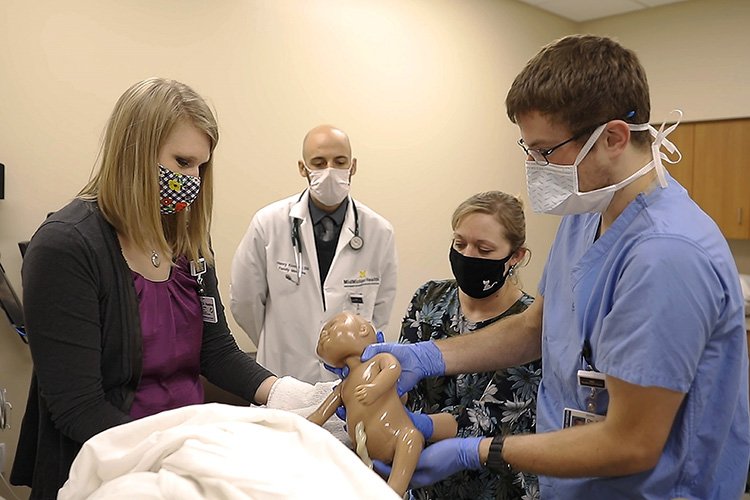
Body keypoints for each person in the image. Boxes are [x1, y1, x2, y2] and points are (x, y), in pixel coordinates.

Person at [367, 34, 750, 499]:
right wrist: (430, 357)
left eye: (546, 152)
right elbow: (538, 327)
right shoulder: (588, 212)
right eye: (527, 149)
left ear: (613, 138)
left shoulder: (666, 256)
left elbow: (631, 443)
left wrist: (478, 450)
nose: (534, 166)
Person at [10, 78, 282, 498]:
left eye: (201, 167)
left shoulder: (188, 243)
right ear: (134, 153)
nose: (193, 178)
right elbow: (78, 408)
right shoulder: (66, 248)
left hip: (189, 456)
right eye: (182, 162)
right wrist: (173, 457)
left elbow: (217, 350)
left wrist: (285, 393)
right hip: (111, 468)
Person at [399, 191, 540, 499]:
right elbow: (404, 386)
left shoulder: (530, 326)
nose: (467, 256)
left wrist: (417, 425)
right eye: (459, 243)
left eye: (484, 248)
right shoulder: (429, 299)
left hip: (497, 486)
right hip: (425, 487)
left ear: (516, 256)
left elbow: (492, 419)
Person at [230, 124, 398, 383]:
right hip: (281, 376)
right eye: (318, 162)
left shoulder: (379, 232)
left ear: (352, 166)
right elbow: (244, 301)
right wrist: (276, 343)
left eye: (339, 161)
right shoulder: (268, 223)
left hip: (347, 381)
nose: (329, 170)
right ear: (302, 167)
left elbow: (379, 313)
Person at [308, 311, 457, 497]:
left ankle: (394, 491)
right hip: (364, 453)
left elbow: (393, 368)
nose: (324, 333)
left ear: (363, 330)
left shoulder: (378, 359)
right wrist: (290, 425)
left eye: (332, 326)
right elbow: (320, 414)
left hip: (397, 437)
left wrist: (376, 388)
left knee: (411, 438)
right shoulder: (343, 387)